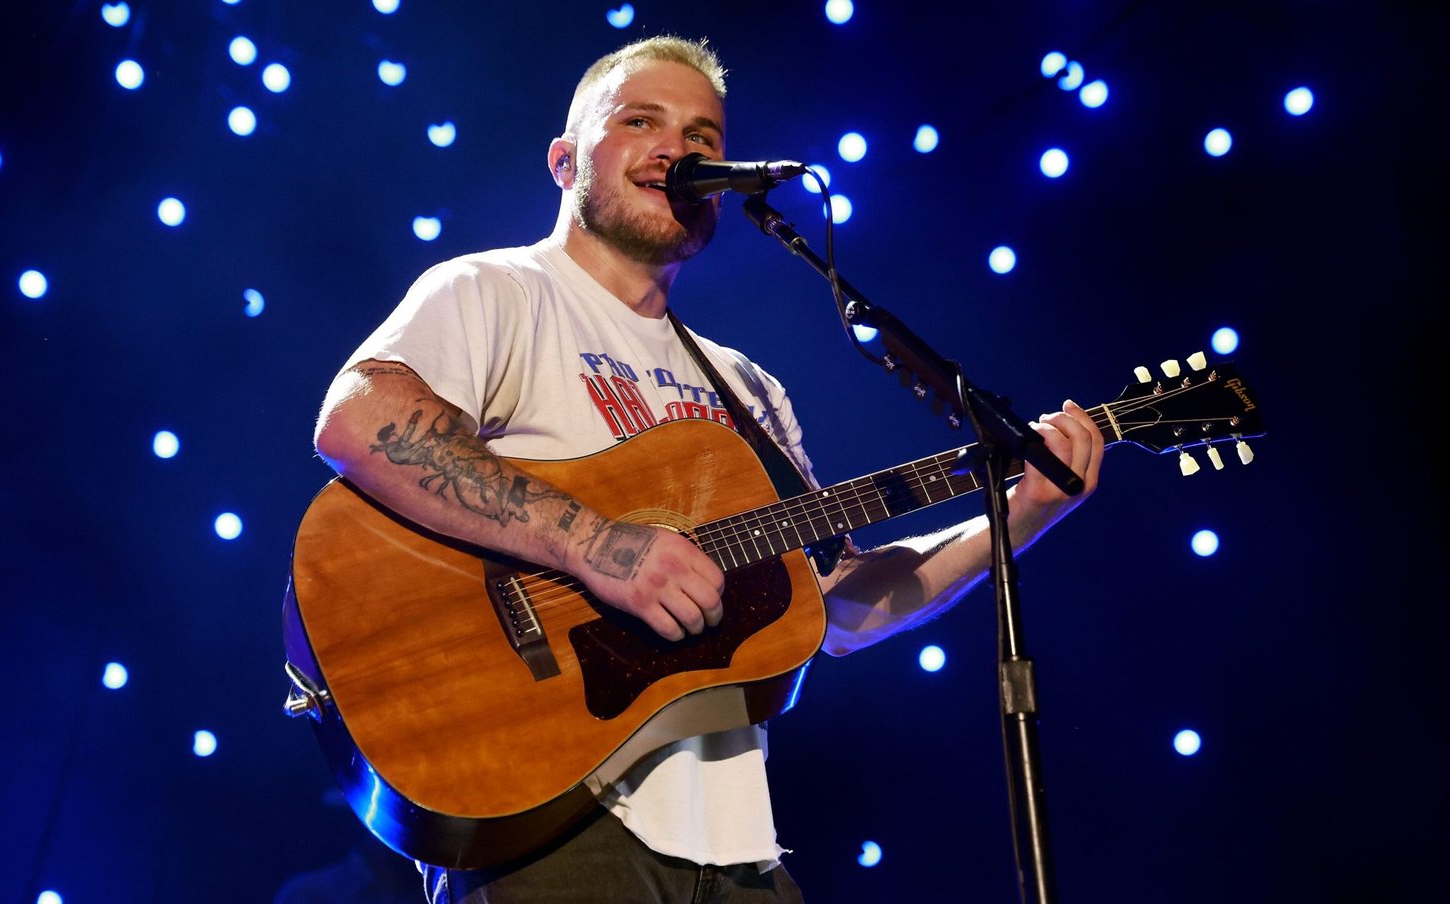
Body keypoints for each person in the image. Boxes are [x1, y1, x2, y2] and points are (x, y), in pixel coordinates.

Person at [312, 34, 1103, 904]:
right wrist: (598, 546)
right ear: (565, 161)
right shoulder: (496, 291)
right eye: (639, 121)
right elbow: (362, 418)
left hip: (737, 850)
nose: (675, 150)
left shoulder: (748, 388)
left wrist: (1017, 518)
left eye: (702, 138)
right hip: (552, 819)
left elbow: (836, 603)